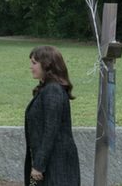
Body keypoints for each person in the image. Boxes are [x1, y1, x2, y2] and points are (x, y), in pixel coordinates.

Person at [24, 46, 80, 186]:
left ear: (47, 65)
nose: (31, 67)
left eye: (34, 63)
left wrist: (38, 165)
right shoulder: (46, 89)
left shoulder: (53, 91)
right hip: (50, 163)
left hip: (55, 165)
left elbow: (51, 130)